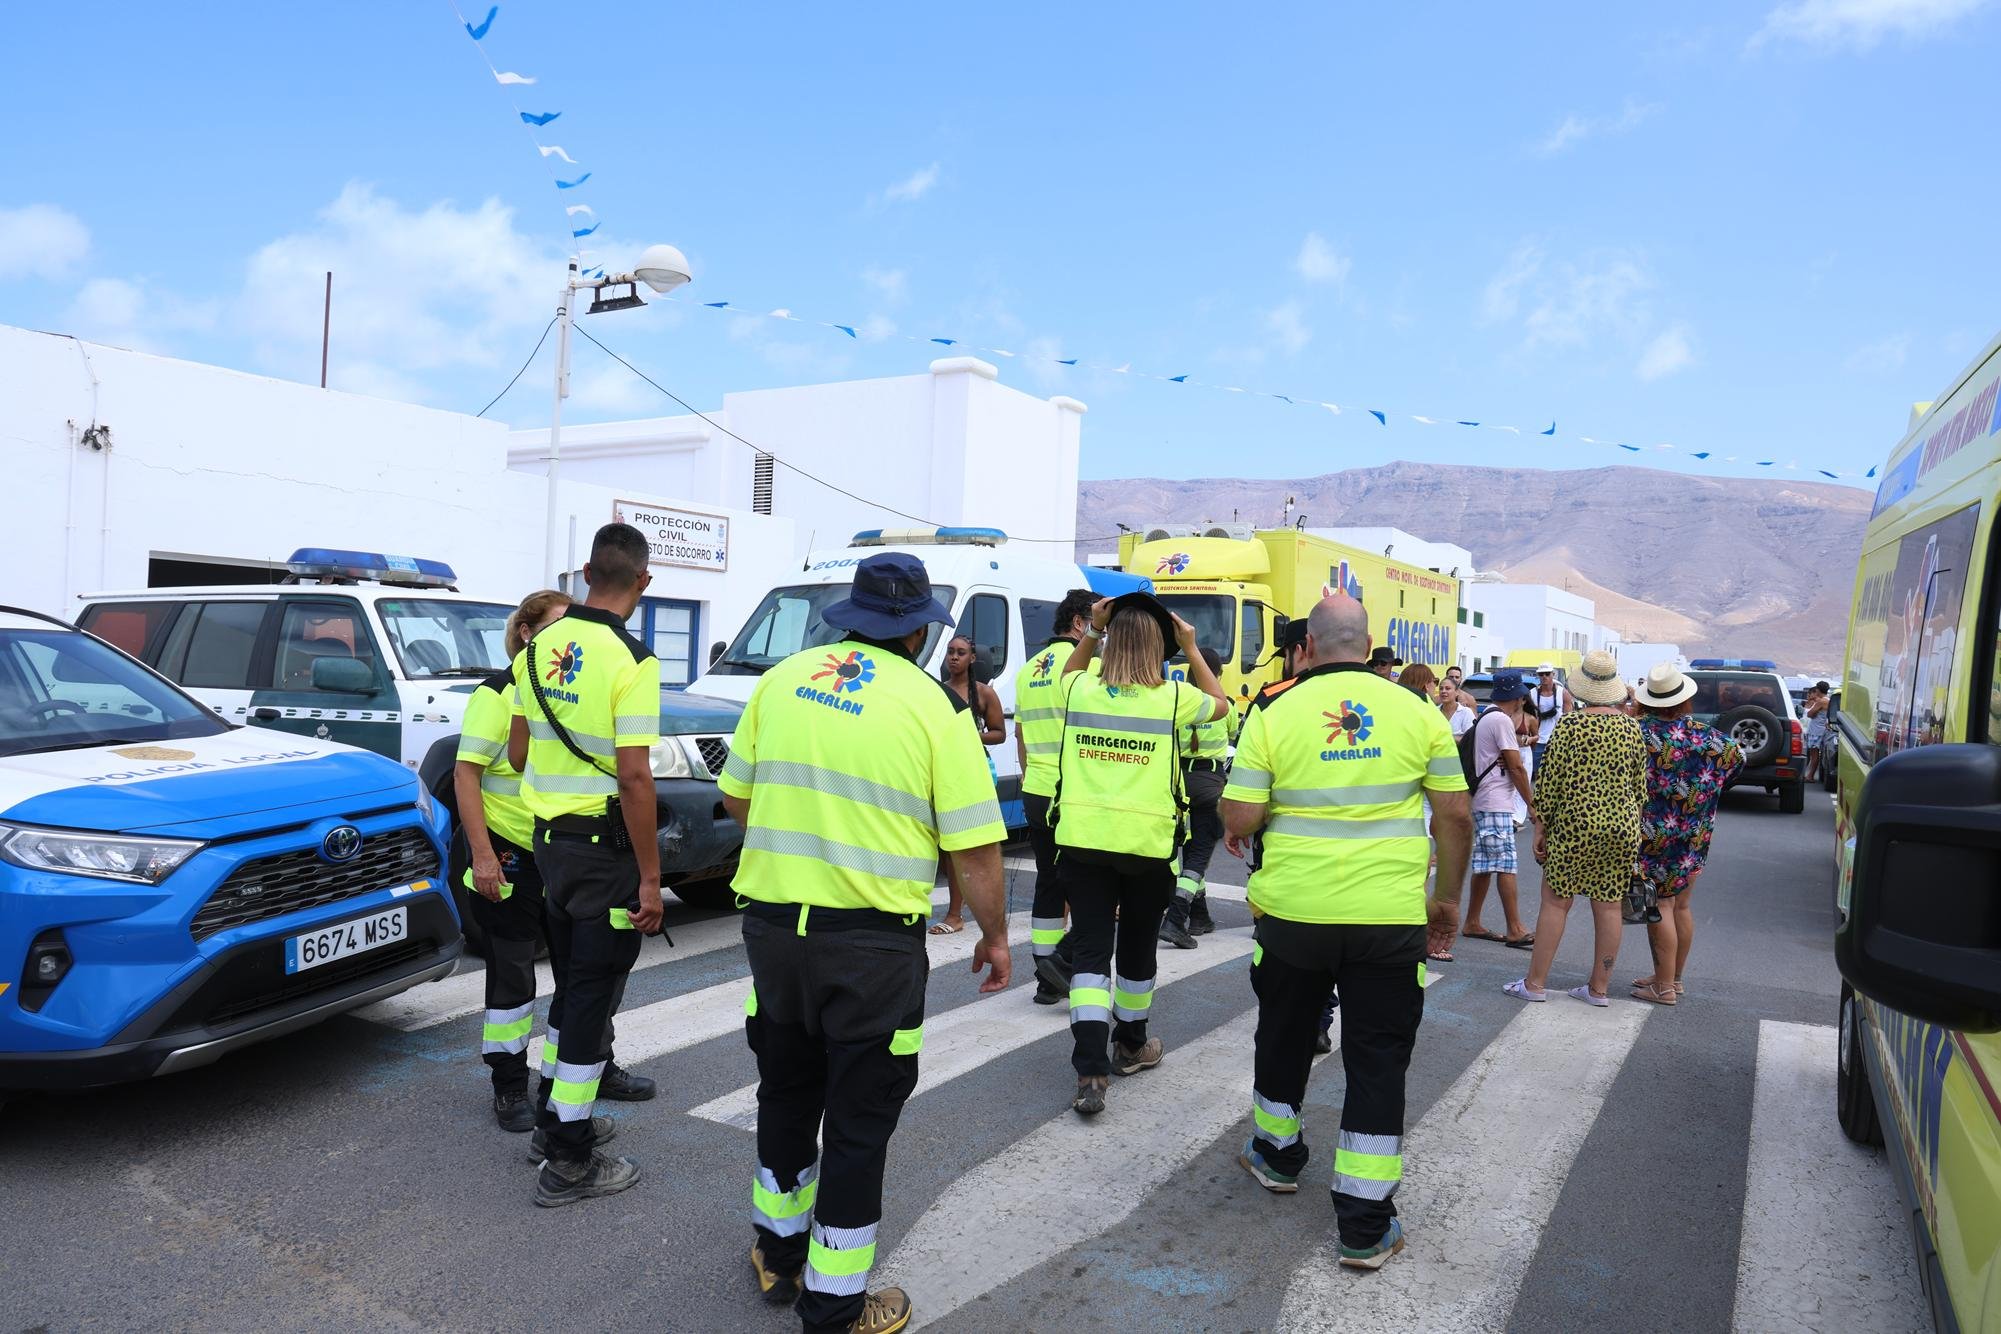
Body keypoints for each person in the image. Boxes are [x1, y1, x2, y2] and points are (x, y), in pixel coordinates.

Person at [719, 552, 1010, 1334]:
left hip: (774, 933)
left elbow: (733, 795)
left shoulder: (781, 681)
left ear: (851, 616)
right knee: (857, 1120)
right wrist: (994, 935)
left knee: (783, 1092)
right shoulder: (933, 708)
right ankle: (836, 1305)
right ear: (917, 629)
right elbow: (977, 850)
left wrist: (799, 848)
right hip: (871, 949)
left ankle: (776, 1255)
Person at [1221, 594, 1473, 1271]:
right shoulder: (1421, 713)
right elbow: (1454, 816)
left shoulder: (1273, 712)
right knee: (1376, 1059)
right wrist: (1444, 901)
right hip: (1387, 922)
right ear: (1367, 645)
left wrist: (1262, 804)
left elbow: (1239, 817)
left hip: (1293, 917)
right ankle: (1363, 1225)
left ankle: (1275, 1156)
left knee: (1283, 1035)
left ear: (1306, 644)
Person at [506, 522, 663, 1207]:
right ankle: (568, 1161)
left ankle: (551, 1121)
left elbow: (516, 756)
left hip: (548, 845)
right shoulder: (632, 660)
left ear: (585, 574)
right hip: (604, 857)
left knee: (571, 990)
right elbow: (634, 777)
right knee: (591, 1000)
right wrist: (653, 878)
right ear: (643, 582)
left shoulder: (536, 647)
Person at [1053, 593, 1228, 1115]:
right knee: (1135, 951)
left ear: (1109, 643)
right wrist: (1192, 648)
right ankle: (1130, 1045)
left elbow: (1070, 672)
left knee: (1088, 953)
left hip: (1082, 842)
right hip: (1148, 849)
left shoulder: (1081, 689)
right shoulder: (1173, 698)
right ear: (1161, 647)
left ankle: (1089, 1069)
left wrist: (1092, 633)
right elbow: (1222, 704)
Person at [453, 588, 573, 1132]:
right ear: (526, 633)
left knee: (579, 970)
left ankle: (576, 1071)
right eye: (557, 626)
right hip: (508, 850)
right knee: (512, 975)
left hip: (562, 851)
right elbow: (467, 774)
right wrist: (483, 856)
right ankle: (508, 1086)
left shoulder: (567, 693)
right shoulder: (498, 694)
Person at [1506, 650, 1647, 1007]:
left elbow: (1550, 782)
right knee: (1610, 905)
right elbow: (1639, 788)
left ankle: (1535, 984)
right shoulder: (1632, 728)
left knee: (1556, 902)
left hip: (1574, 824)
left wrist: (1540, 826)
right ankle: (1598, 989)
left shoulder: (1571, 725)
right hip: (1622, 825)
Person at [1628, 662, 1744, 1005]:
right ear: (1684, 699)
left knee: (1659, 904)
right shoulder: (1713, 738)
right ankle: (1672, 978)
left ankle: (1662, 988)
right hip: (1695, 834)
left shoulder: (1638, 733)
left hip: (1651, 833)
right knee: (1680, 907)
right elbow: (1735, 768)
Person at [1014, 589, 1099, 1005]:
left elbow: (1021, 736)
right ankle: (1066, 968)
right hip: (1073, 796)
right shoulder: (1087, 666)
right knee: (1089, 890)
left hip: (1036, 790)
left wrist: (1033, 778)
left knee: (1048, 884)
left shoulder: (1030, 668)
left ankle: (1045, 978)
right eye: (1099, 623)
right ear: (1081, 623)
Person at [929, 634, 1005, 935]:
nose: (954, 657)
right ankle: (955, 912)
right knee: (946, 847)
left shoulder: (984, 693)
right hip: (946, 771)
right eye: (950, 652)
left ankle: (956, 915)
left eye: (961, 653)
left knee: (967, 846)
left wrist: (970, 737)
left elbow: (999, 733)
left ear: (973, 658)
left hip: (976, 770)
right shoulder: (938, 693)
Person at [1161, 646, 1232, 949]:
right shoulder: (1225, 705)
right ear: (1218, 674)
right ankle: (1175, 919)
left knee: (1189, 854)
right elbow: (1232, 736)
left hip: (1179, 786)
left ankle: (1200, 916)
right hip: (1209, 785)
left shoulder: (1180, 704)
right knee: (1199, 857)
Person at [1461, 671, 1535, 948]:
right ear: (1517, 697)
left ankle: (1472, 921)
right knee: (1506, 864)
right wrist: (1531, 804)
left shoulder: (1487, 716)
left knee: (1485, 864)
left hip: (1484, 797)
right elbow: (1515, 765)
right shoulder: (1501, 720)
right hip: (1495, 801)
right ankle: (1515, 927)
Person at [1529, 664, 1572, 770]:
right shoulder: (1532, 693)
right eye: (1541, 674)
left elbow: (1569, 718)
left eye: (1547, 674)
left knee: (1556, 771)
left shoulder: (1562, 693)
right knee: (1536, 771)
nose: (1544, 677)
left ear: (1553, 674)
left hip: (1557, 739)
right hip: (1538, 739)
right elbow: (1528, 717)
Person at [1801, 681, 1830, 784]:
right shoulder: (1827, 700)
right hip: (1822, 730)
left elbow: (1810, 714)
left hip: (1816, 731)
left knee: (1814, 754)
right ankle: (1810, 774)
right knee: (1815, 754)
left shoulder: (1821, 701)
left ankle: (1810, 776)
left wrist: (1813, 711)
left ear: (1818, 690)